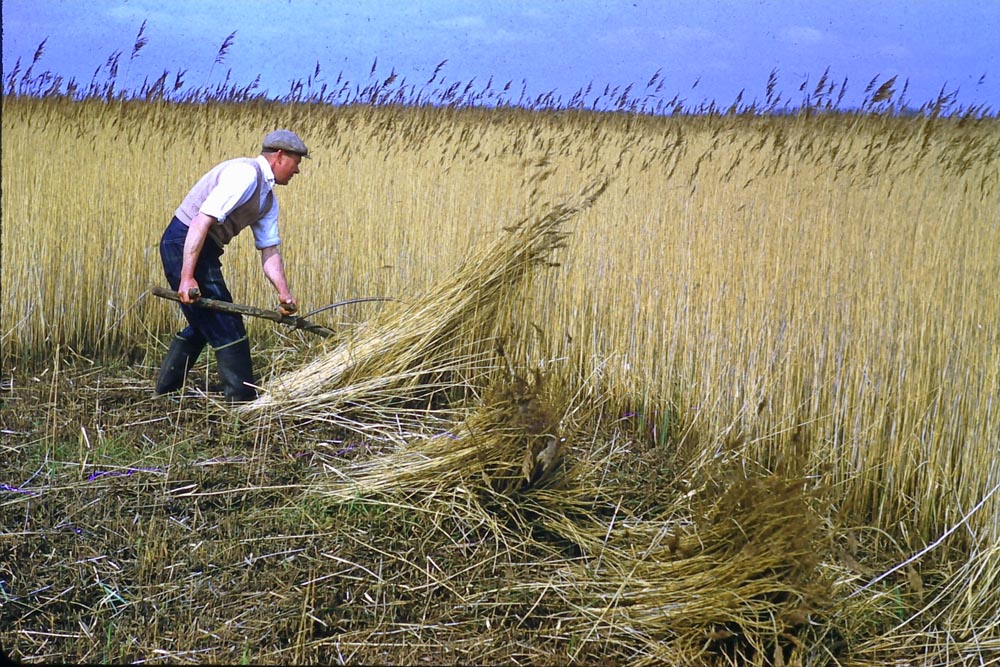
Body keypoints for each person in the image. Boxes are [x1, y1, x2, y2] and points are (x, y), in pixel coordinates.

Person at [154, 129, 309, 401]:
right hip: (184, 242)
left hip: (204, 250)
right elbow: (201, 221)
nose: (297, 170)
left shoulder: (267, 199)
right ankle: (242, 401)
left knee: (206, 321)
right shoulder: (245, 174)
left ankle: (165, 392)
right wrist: (187, 276)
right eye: (297, 161)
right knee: (226, 324)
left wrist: (284, 294)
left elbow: (269, 250)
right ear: (280, 156)